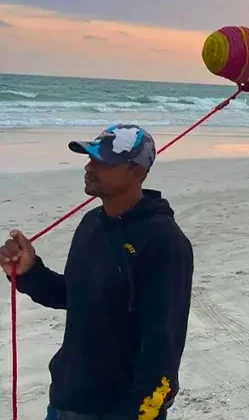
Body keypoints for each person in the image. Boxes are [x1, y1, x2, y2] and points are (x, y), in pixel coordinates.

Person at [0, 124, 194, 420]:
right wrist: (30, 273)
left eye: (103, 161)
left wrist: (140, 413)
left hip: (118, 410)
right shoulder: (92, 223)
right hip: (66, 399)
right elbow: (78, 295)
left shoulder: (165, 242)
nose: (90, 167)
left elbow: (163, 350)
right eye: (90, 157)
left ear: (136, 171)